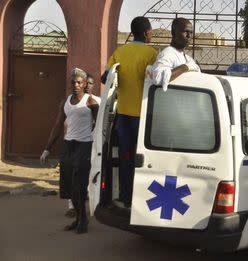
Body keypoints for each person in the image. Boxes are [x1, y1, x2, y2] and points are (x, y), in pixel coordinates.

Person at [100, 17, 158, 208]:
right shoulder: (151, 53)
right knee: (145, 160)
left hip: (123, 115)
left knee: (126, 157)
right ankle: (143, 200)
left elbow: (104, 78)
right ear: (145, 33)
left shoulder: (119, 52)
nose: (151, 34)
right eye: (150, 31)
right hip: (143, 117)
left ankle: (126, 197)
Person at [40, 68, 99, 234]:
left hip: (84, 145)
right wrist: (47, 149)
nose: (76, 85)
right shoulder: (65, 102)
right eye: (73, 82)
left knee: (79, 185)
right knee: (69, 185)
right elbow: (58, 125)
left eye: (79, 82)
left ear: (84, 84)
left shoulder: (91, 101)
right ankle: (79, 218)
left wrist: (97, 146)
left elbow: (99, 124)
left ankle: (83, 221)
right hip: (68, 146)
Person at [150, 17, 201, 90]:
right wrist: (185, 67)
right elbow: (157, 78)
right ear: (173, 32)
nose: (189, 36)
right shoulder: (167, 54)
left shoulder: (188, 58)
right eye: (185, 32)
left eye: (191, 32)